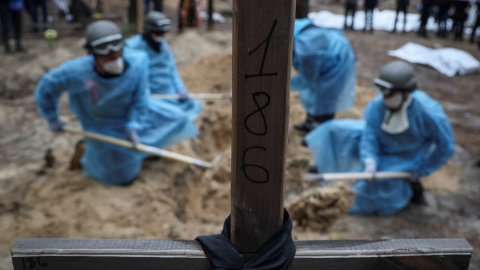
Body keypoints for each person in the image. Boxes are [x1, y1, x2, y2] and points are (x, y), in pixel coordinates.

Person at [35, 20, 199, 186]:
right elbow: (47, 86)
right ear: (93, 54)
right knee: (124, 178)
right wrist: (51, 117)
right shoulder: (76, 72)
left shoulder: (138, 63)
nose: (114, 58)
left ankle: (143, 148)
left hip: (131, 114)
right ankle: (87, 147)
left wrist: (133, 125)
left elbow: (141, 99)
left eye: (118, 52)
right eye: (107, 55)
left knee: (179, 120)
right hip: (102, 124)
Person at [306, 61, 455, 216]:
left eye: (389, 93)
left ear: (405, 93)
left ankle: (413, 188)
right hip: (381, 145)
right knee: (335, 129)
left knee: (368, 193)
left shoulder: (428, 114)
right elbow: (369, 136)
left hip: (405, 156)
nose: (384, 97)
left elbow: (446, 145)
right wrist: (370, 160)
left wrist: (423, 168)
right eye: (382, 92)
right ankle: (326, 164)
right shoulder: (377, 106)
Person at [126, 11, 202, 122]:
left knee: (193, 105)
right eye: (157, 33)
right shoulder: (133, 47)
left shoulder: (164, 46)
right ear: (149, 30)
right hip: (149, 96)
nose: (160, 36)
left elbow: (172, 70)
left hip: (168, 93)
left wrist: (180, 88)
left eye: (162, 33)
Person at [291, 18, 356, 133]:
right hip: (326, 54)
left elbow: (309, 79)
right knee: (313, 94)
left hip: (338, 59)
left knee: (327, 96)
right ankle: (309, 124)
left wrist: (285, 84)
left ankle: (320, 133)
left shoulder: (306, 49)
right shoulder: (293, 32)